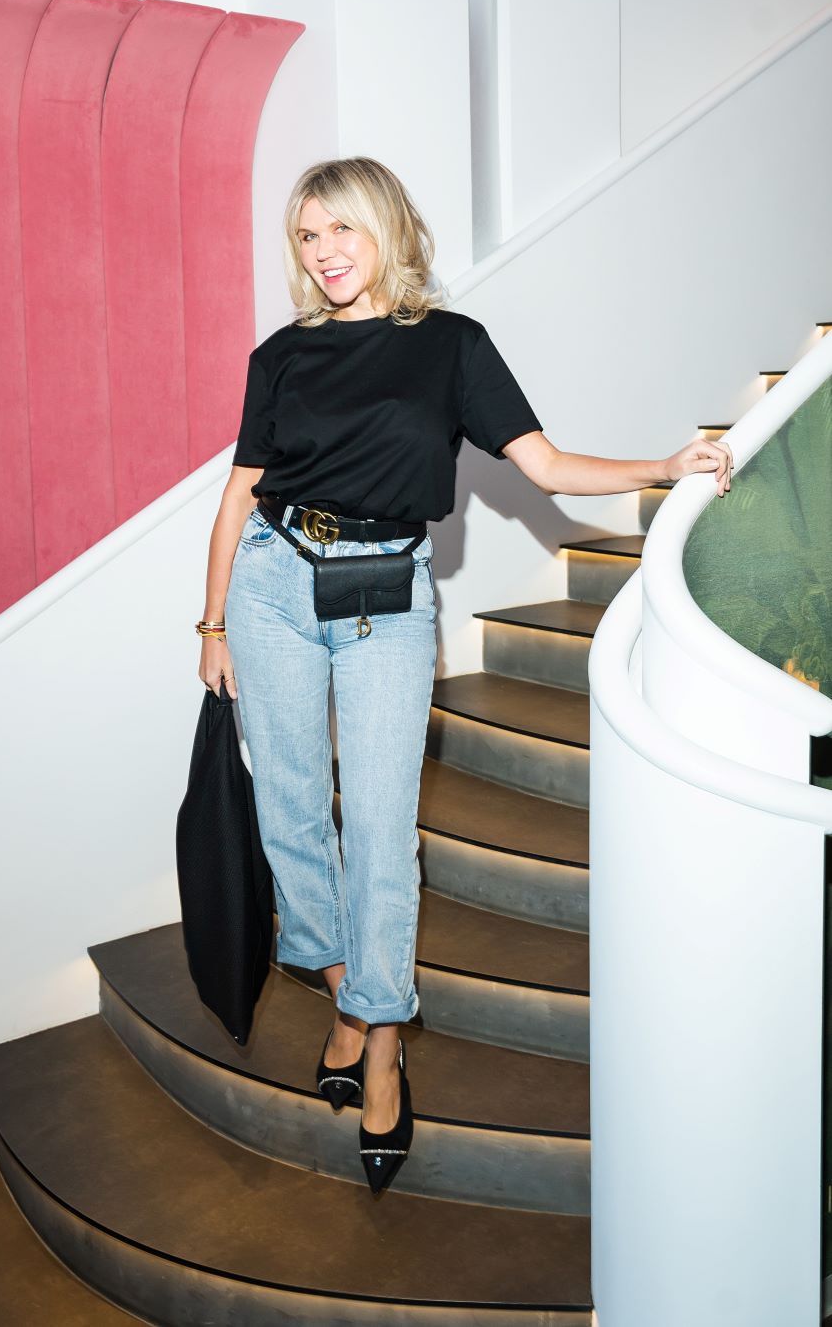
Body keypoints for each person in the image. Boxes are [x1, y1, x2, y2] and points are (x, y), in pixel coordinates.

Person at [196, 156, 733, 1197]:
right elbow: (237, 496)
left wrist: (662, 468)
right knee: (289, 812)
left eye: (342, 228)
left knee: (381, 830)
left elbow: (545, 465)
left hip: (386, 599)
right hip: (270, 585)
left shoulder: (451, 345)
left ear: (386, 228)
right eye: (307, 236)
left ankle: (380, 1040)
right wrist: (213, 622)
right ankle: (351, 995)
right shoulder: (281, 356)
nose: (325, 252)